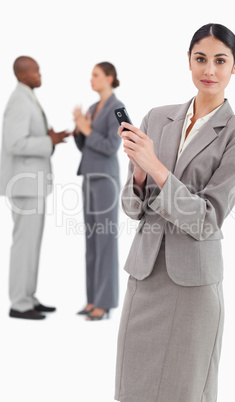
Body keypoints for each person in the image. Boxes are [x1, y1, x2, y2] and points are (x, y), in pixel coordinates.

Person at [115, 23, 235, 401]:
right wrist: (141, 170)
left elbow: (209, 219)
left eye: (220, 60)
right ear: (189, 62)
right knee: (134, 388)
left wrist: (157, 168)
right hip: (145, 277)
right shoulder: (157, 118)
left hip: (193, 284)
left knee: (184, 389)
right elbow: (132, 209)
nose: (209, 70)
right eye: (201, 59)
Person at [0, 56, 69, 320]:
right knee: (24, 246)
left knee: (32, 245)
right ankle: (19, 303)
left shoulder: (27, 95)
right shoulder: (19, 100)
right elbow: (14, 144)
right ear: (22, 74)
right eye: (36, 72)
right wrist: (46, 140)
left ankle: (28, 297)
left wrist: (52, 140)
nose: (40, 75)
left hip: (33, 186)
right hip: (25, 186)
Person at [73, 62, 124, 321]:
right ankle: (92, 298)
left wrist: (87, 129)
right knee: (91, 241)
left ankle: (104, 303)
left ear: (109, 78)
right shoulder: (93, 108)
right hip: (90, 177)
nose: (91, 79)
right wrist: (78, 129)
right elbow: (88, 146)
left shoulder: (118, 108)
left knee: (105, 240)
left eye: (95, 75)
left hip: (106, 180)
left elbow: (111, 146)